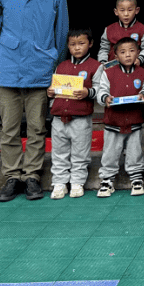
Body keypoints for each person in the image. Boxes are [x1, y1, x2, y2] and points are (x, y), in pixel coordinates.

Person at [0, 0, 69, 202]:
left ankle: (32, 175)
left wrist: (58, 69)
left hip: (41, 68)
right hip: (8, 67)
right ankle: (11, 176)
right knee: (9, 128)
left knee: (37, 128)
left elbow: (62, 30)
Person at [47, 30, 103, 199]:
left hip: (81, 118)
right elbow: (55, 90)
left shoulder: (96, 66)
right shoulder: (61, 66)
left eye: (81, 44)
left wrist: (88, 92)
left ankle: (77, 182)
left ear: (90, 44)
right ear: (68, 46)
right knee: (58, 152)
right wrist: (51, 94)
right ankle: (59, 183)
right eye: (72, 45)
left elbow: (101, 91)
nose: (77, 48)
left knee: (80, 152)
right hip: (58, 118)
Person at [94, 37, 144, 197]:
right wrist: (106, 98)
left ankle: (136, 178)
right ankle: (107, 180)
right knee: (110, 151)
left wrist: (143, 95)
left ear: (138, 53)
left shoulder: (143, 73)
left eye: (132, 51)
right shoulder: (108, 73)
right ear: (116, 56)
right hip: (113, 120)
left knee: (135, 150)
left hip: (134, 120)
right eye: (123, 52)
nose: (128, 55)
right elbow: (101, 90)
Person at [99, 0, 144, 64]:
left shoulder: (143, 29)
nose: (126, 14)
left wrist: (140, 59)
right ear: (116, 12)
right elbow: (104, 49)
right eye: (122, 10)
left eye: (130, 10)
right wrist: (103, 62)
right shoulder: (109, 29)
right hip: (113, 68)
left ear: (137, 10)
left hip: (134, 67)